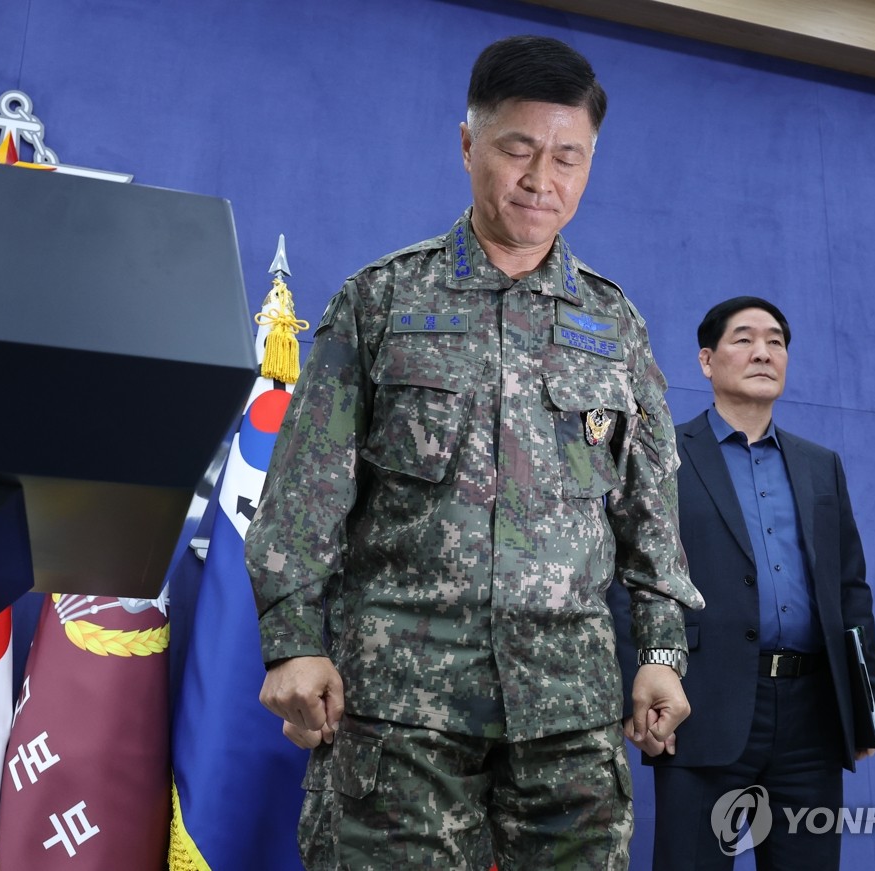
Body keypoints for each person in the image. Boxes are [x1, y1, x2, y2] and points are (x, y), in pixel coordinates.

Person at [244, 34, 704, 870]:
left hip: (569, 719)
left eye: (569, 156)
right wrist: (292, 639)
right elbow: (304, 496)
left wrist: (664, 654)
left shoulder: (615, 327)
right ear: (468, 145)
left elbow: (653, 516)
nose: (542, 179)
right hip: (401, 713)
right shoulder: (381, 300)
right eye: (518, 149)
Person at [641, 296, 875, 870]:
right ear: (707, 361)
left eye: (776, 341)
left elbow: (851, 589)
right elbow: (628, 579)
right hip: (703, 704)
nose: (763, 352)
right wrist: (640, 684)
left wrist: (865, 704)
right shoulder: (663, 456)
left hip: (812, 716)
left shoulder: (818, 464)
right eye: (744, 339)